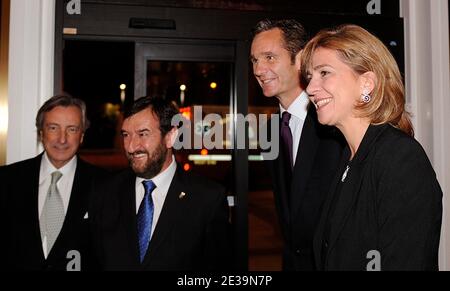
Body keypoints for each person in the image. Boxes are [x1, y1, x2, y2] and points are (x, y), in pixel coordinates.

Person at [301, 24, 443, 270]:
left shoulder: (400, 158)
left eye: (324, 73)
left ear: (366, 83)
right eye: (310, 77)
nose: (311, 89)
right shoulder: (348, 157)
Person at [90, 96, 231, 271]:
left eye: (143, 134)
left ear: (170, 136)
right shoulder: (105, 192)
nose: (131, 146)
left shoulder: (207, 199)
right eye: (126, 135)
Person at [250, 19, 344, 270]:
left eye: (269, 57)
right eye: (254, 60)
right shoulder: (270, 129)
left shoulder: (334, 121)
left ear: (301, 59)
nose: (259, 69)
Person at [0, 94, 105, 270]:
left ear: (82, 136)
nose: (62, 139)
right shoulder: (6, 180)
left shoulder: (104, 184)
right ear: (41, 133)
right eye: (53, 128)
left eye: (71, 129)